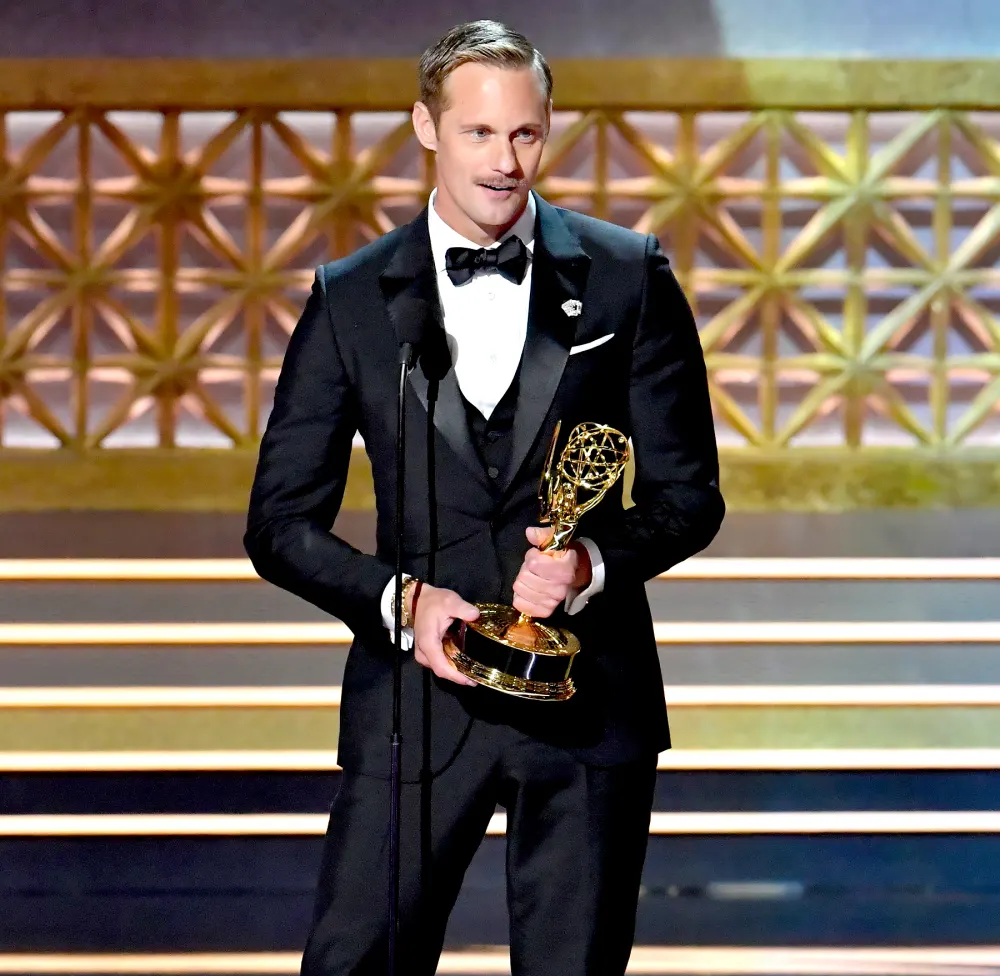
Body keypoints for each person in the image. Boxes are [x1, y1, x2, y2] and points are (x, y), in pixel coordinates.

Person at [244, 19, 724, 976]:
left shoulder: (627, 276)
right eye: (478, 133)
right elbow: (280, 523)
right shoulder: (351, 297)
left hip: (588, 704)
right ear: (426, 128)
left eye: (525, 134)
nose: (505, 162)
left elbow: (689, 495)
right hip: (414, 709)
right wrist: (404, 603)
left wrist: (591, 564)